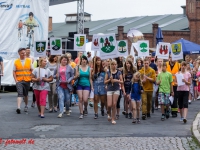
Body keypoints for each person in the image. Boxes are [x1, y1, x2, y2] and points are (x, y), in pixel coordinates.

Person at [13, 48, 33, 114]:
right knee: (20, 93)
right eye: (22, 53)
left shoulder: (29, 61)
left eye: (24, 53)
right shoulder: (16, 61)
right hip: (19, 80)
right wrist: (16, 80)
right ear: (19, 54)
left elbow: (32, 70)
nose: (24, 54)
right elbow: (14, 71)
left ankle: (26, 105)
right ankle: (18, 107)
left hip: (27, 80)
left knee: (26, 94)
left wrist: (32, 78)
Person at [104, 60, 123, 124]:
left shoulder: (119, 72)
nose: (114, 66)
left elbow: (122, 81)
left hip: (116, 89)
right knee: (109, 105)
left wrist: (116, 80)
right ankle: (109, 114)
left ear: (116, 65)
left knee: (114, 104)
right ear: (110, 65)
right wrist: (110, 79)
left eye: (115, 64)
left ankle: (113, 118)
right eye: (112, 64)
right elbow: (105, 82)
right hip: (109, 89)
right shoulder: (108, 72)